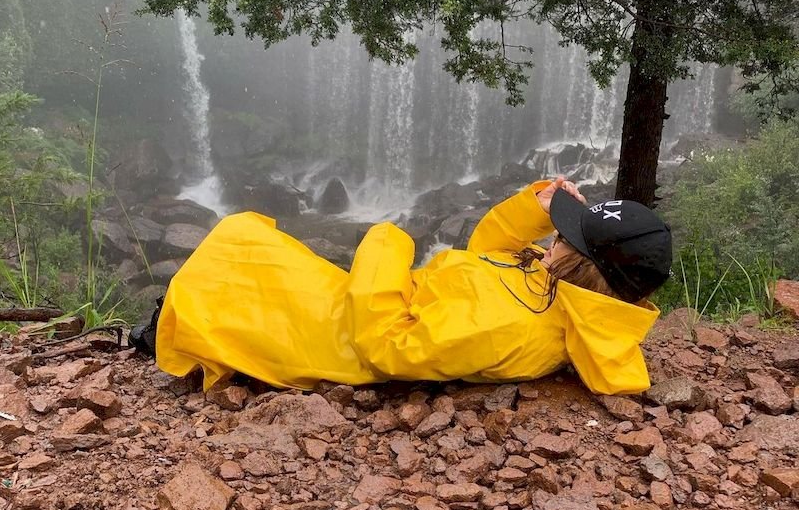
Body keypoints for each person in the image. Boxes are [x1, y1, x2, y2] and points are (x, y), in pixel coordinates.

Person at [152, 176, 672, 396]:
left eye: (565, 235)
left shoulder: (512, 328)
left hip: (338, 339)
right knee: (243, 238)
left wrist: (388, 243)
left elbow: (388, 348)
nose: (555, 235)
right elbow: (485, 260)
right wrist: (528, 209)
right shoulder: (558, 289)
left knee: (232, 263)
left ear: (583, 266)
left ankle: (163, 328)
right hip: (366, 308)